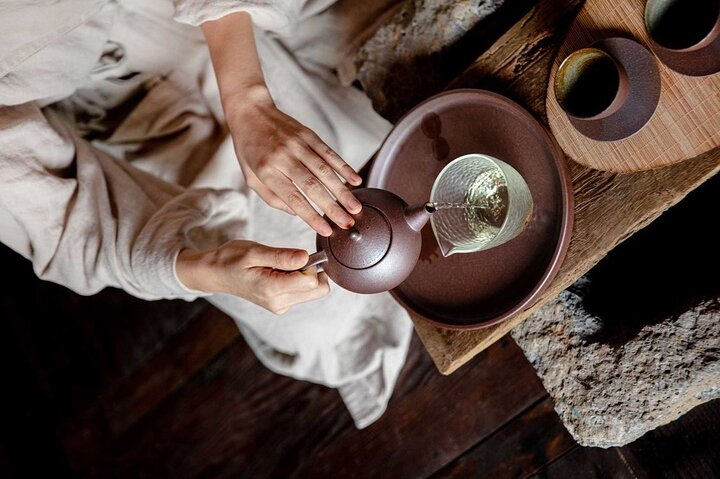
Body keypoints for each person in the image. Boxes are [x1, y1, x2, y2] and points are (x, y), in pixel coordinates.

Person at [0, 0, 412, 428]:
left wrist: (247, 99)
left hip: (216, 21)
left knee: (391, 150)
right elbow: (60, 223)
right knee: (316, 322)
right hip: (131, 115)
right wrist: (206, 270)